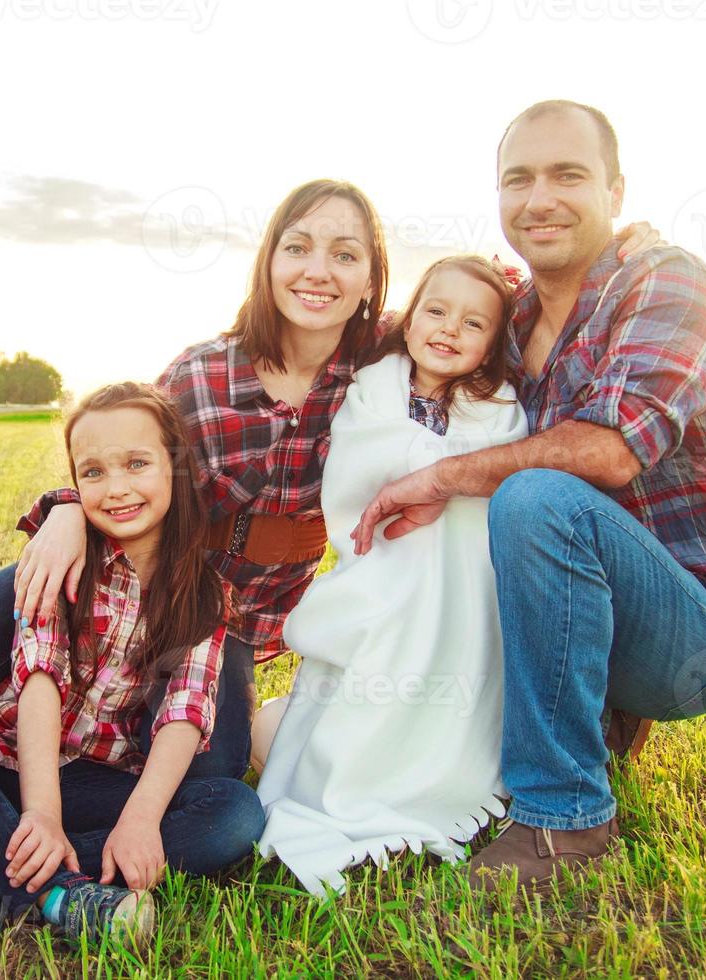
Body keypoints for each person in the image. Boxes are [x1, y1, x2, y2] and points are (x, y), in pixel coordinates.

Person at [0, 178, 656, 876]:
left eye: (344, 254)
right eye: (298, 247)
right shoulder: (202, 373)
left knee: (217, 777)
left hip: (224, 626)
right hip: (126, 581)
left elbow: (485, 312)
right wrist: (61, 508)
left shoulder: (381, 359)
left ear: (371, 282)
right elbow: (123, 453)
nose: (317, 270)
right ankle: (17, 808)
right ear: (268, 263)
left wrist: (615, 258)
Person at [351, 100, 706, 893]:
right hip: (597, 608)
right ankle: (563, 731)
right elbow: (375, 342)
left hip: (703, 630)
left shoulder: (669, 281)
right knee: (504, 509)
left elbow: (611, 451)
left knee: (535, 495)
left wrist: (438, 478)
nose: (538, 198)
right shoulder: (507, 318)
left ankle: (566, 818)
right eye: (519, 179)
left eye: (567, 175)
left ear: (616, 190)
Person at [0, 382, 265, 947]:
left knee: (233, 813)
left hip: (96, 779)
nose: (117, 488)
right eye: (94, 473)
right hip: (8, 758)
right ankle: (62, 893)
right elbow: (39, 677)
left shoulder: (203, 592)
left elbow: (186, 709)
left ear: (175, 469)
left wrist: (141, 819)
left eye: (136, 464)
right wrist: (43, 815)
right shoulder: (66, 559)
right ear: (76, 485)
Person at [254, 255, 528, 895]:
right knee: (371, 651)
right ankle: (347, 777)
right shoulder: (377, 386)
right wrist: (423, 461)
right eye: (436, 311)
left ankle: (428, 774)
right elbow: (355, 461)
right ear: (409, 320)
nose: (449, 329)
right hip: (390, 562)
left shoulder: (501, 405)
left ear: (492, 344)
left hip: (459, 579)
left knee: (446, 667)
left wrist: (446, 473)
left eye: (473, 323)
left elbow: (500, 469)